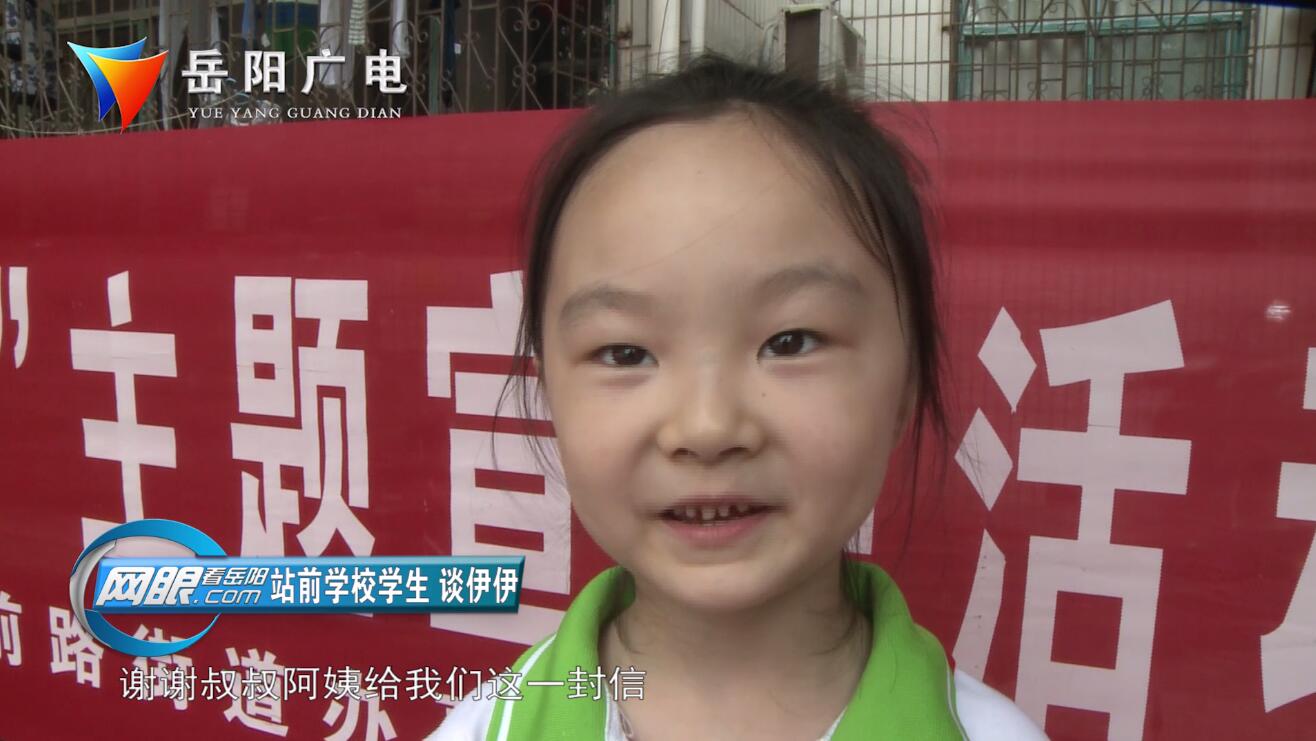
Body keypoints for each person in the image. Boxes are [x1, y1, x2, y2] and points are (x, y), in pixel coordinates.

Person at [429, 53, 1047, 741]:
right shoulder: (483, 729)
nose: (707, 427)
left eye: (790, 341)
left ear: (907, 383)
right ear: (549, 391)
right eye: (625, 353)